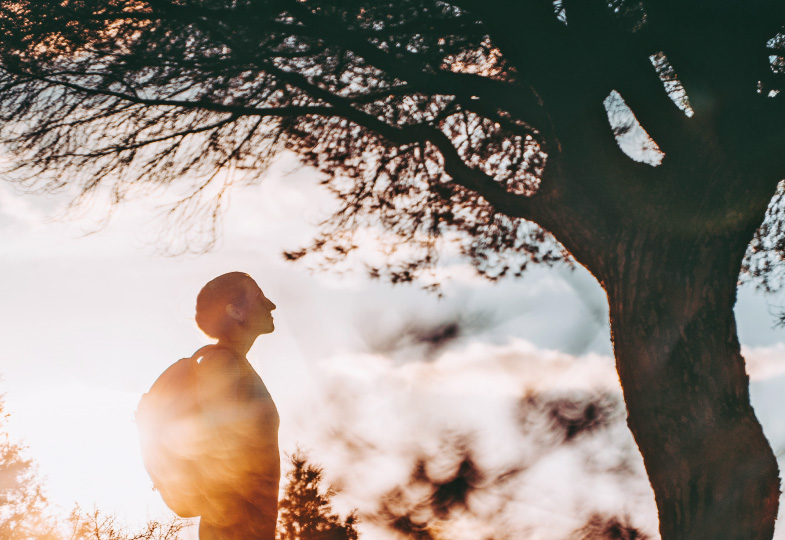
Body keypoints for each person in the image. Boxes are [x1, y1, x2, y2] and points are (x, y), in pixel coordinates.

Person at [193, 272, 280, 540]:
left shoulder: (233, 364)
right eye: (259, 296)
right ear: (236, 312)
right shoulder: (222, 364)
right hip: (233, 527)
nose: (271, 305)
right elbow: (220, 451)